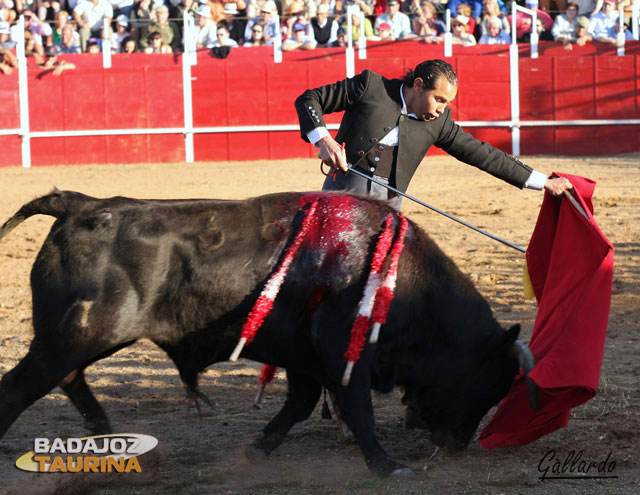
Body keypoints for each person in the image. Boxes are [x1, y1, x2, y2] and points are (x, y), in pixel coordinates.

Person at [294, 59, 573, 213]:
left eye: (446, 104)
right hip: (342, 193)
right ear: (418, 86)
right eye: (438, 99)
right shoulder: (371, 87)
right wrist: (324, 140)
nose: (441, 110)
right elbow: (309, 100)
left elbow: (483, 155)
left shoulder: (440, 124)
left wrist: (541, 181)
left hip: (390, 205)